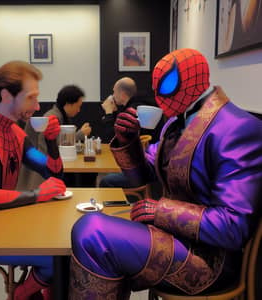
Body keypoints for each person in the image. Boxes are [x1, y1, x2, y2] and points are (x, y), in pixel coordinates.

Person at [68, 48, 262, 299]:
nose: (159, 95)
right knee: (89, 232)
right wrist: (129, 141)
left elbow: (233, 227)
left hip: (211, 259)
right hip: (175, 237)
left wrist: (162, 210)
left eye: (168, 84)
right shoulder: (175, 123)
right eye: (155, 86)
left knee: (92, 231)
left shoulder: (238, 128)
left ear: (195, 78)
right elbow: (141, 177)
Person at [0, 60, 66, 300]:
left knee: (63, 243)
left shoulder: (16, 132)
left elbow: (53, 173)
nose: (38, 105)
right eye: (31, 98)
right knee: (56, 258)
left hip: (8, 224)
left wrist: (51, 142)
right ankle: (20, 295)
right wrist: (37, 195)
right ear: (7, 95)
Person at [18, 84, 92, 189]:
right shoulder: (53, 118)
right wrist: (80, 134)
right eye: (78, 106)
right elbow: (52, 145)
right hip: (41, 176)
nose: (79, 110)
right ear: (68, 104)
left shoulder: (59, 115)